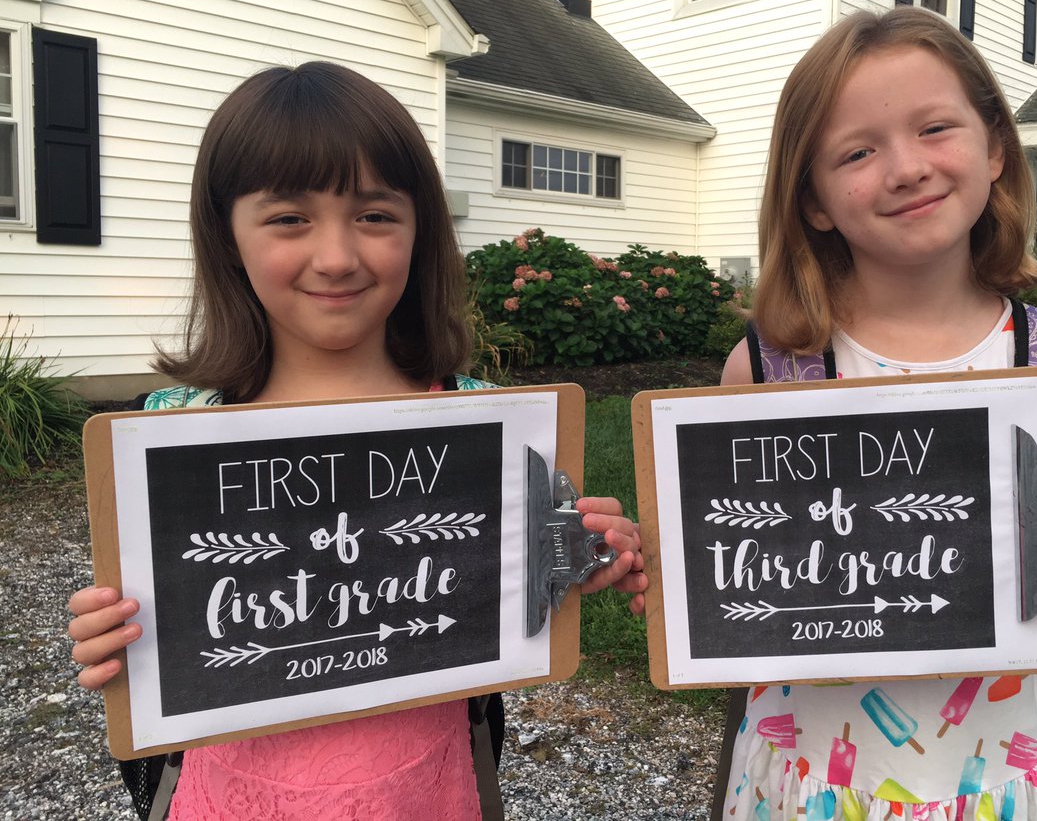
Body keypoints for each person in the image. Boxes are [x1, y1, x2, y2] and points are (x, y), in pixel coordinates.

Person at [66, 61, 647, 821]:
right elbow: (153, 611)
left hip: (430, 790)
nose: (337, 256)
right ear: (227, 233)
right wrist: (109, 631)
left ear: (420, 229)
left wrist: (582, 551)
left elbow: (510, 586)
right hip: (227, 796)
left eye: (374, 215)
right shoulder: (174, 427)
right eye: (289, 219)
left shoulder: (479, 426)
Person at [714, 7, 1037, 820]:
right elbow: (732, 577)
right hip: (803, 770)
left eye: (934, 129)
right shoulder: (774, 364)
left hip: (993, 778)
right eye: (857, 151)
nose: (906, 168)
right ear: (811, 198)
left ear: (994, 149)